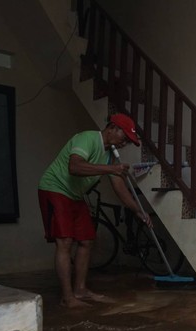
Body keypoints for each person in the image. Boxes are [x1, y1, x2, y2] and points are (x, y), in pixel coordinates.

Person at [38, 113, 151, 308]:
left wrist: (137, 210)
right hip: (55, 188)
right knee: (65, 241)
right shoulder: (87, 138)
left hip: (74, 195)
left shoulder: (110, 154)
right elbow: (75, 167)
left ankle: (80, 290)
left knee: (87, 240)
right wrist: (110, 169)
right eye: (124, 137)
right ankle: (68, 297)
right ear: (112, 128)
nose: (125, 143)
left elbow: (119, 186)